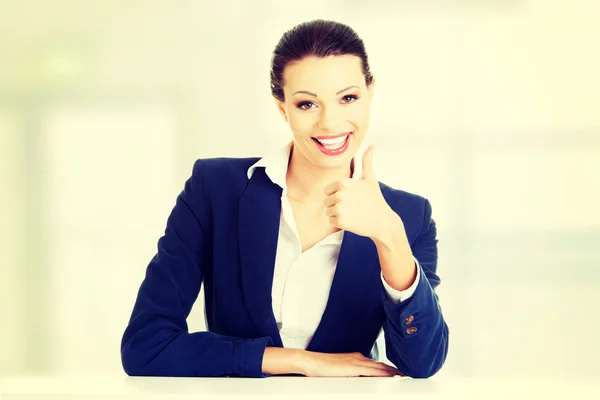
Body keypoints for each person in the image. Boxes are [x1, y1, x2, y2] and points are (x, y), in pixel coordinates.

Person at [120, 19, 448, 379]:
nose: (330, 123)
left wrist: (389, 236)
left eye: (348, 98)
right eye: (308, 104)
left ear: (370, 93)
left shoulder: (408, 216)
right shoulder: (215, 189)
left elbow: (422, 364)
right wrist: (301, 361)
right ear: (283, 108)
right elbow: (146, 346)